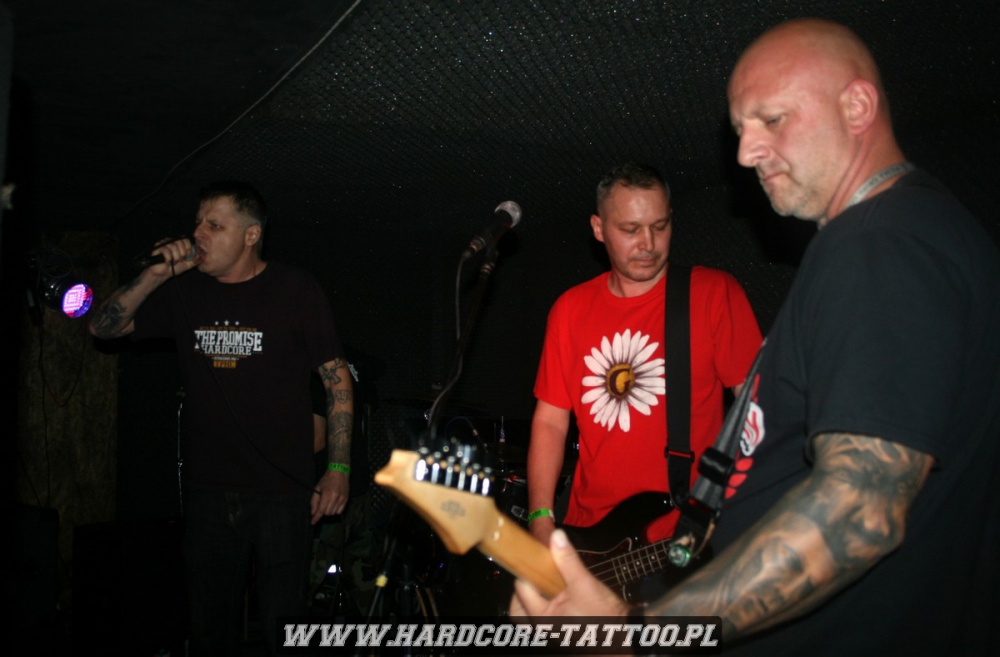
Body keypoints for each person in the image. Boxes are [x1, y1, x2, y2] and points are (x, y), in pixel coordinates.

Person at [512, 18, 1000, 655]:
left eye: (772, 119)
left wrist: (639, 636)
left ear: (857, 106)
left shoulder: (880, 243)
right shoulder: (903, 234)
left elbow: (861, 508)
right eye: (741, 129)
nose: (745, 154)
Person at [88, 181, 353, 656]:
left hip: (282, 492)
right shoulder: (184, 290)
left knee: (283, 626)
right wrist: (156, 274)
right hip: (209, 492)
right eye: (198, 223)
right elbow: (103, 327)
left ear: (251, 235)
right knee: (209, 626)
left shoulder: (295, 289)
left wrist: (338, 468)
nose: (199, 234)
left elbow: (337, 379)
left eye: (214, 225)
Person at [526, 162, 762, 565]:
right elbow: (550, 421)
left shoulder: (712, 295)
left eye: (660, 226)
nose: (648, 243)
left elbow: (758, 412)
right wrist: (540, 517)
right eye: (630, 229)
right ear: (599, 229)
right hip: (588, 537)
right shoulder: (569, 310)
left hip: (683, 535)